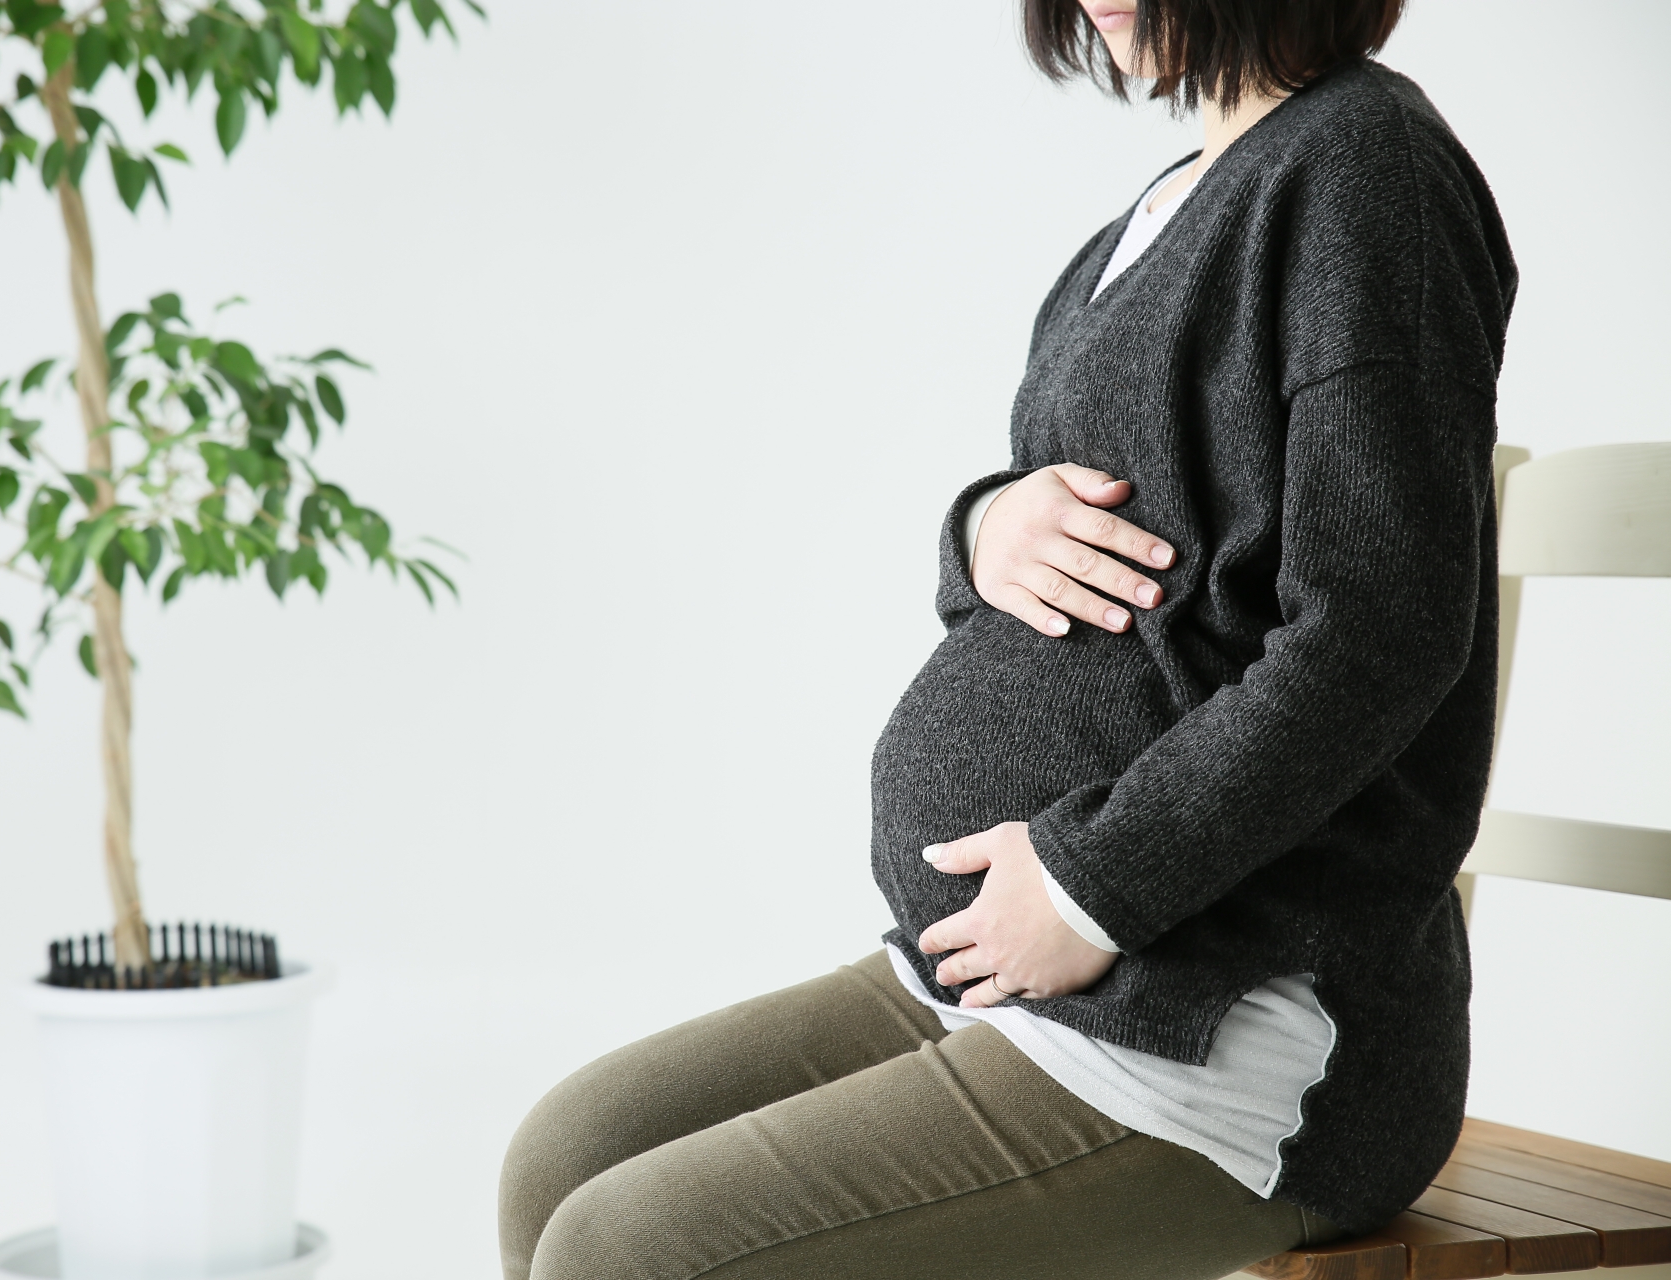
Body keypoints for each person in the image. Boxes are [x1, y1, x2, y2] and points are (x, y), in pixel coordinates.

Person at [499, 0, 1517, 1275]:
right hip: (1012, 976)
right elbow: (1116, 555)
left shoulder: (1366, 167)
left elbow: (1381, 632)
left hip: (1225, 1021)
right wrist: (979, 526)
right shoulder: (1160, 209)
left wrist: (1100, 882)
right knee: (561, 1155)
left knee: (624, 1245)